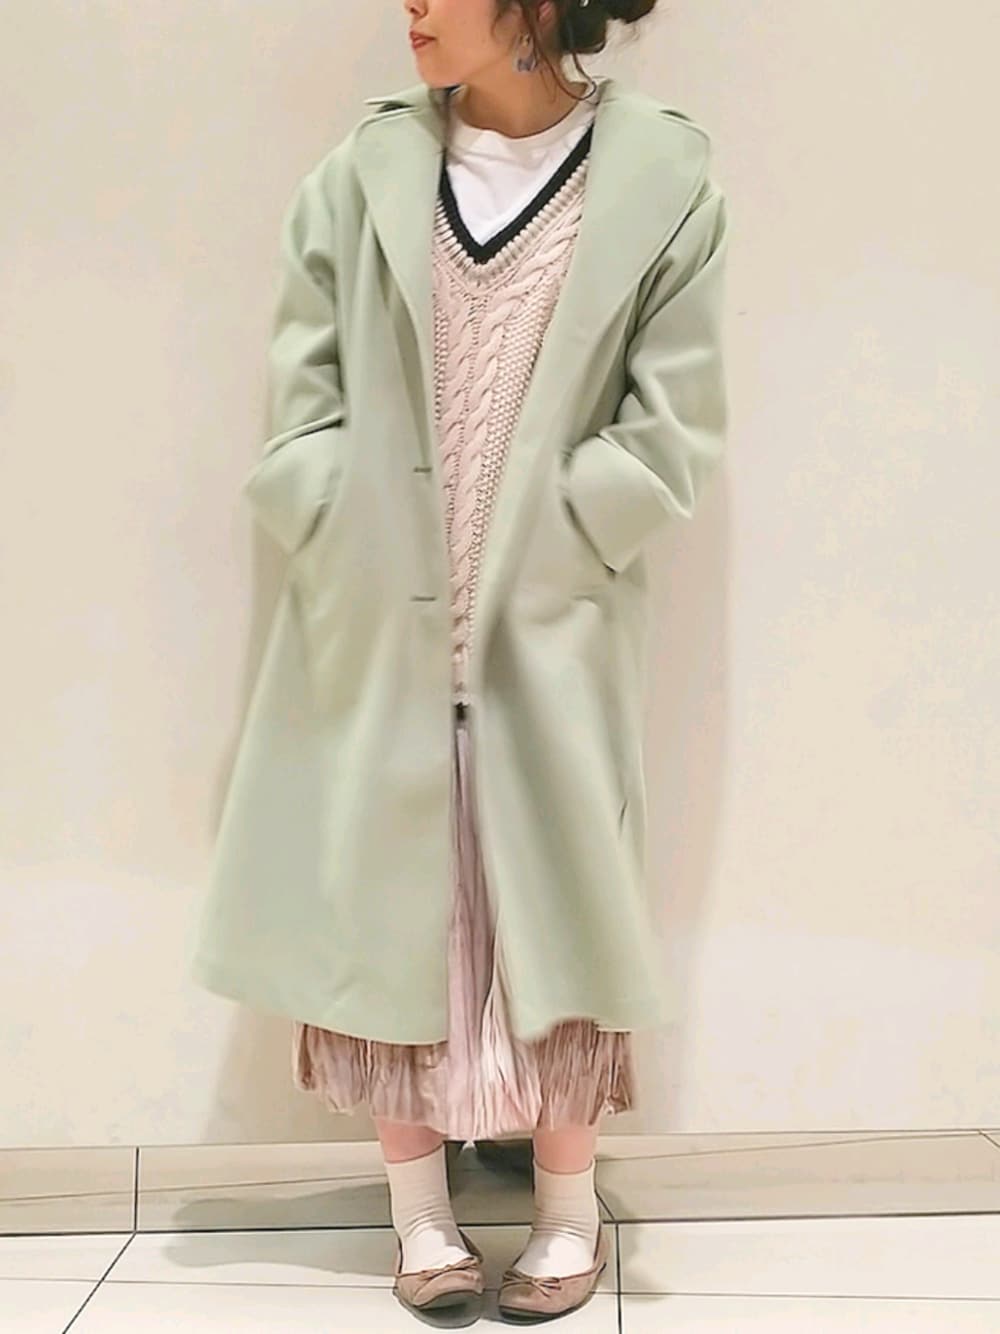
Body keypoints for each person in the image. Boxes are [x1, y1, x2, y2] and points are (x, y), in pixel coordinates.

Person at [190, 0, 729, 1319]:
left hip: (554, 625)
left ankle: (568, 1208)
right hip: (378, 615)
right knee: (392, 910)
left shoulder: (662, 178)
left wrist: (573, 534)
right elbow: (302, 398)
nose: (412, 7)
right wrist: (332, 516)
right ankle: (417, 1212)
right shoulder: (360, 174)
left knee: (563, 899)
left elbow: (674, 422)